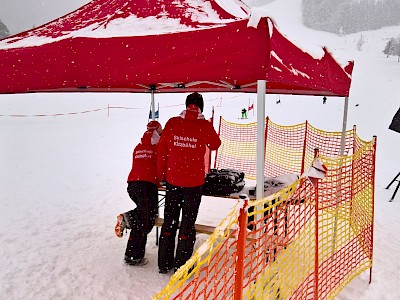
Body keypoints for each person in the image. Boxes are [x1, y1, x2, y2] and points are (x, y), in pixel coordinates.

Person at [157, 92, 221, 274]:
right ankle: (181, 266)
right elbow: (216, 144)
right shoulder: (203, 125)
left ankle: (164, 263)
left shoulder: (172, 123)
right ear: (201, 107)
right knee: (187, 222)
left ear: (186, 105)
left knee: (169, 222)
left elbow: (162, 151)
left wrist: (160, 175)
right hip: (193, 183)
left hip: (173, 180)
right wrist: (204, 124)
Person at [114, 120, 163, 266]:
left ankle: (134, 256)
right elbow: (160, 166)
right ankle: (133, 256)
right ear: (159, 132)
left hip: (133, 184)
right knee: (145, 221)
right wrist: (161, 180)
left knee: (146, 218)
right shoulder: (159, 146)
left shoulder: (139, 146)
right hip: (147, 186)